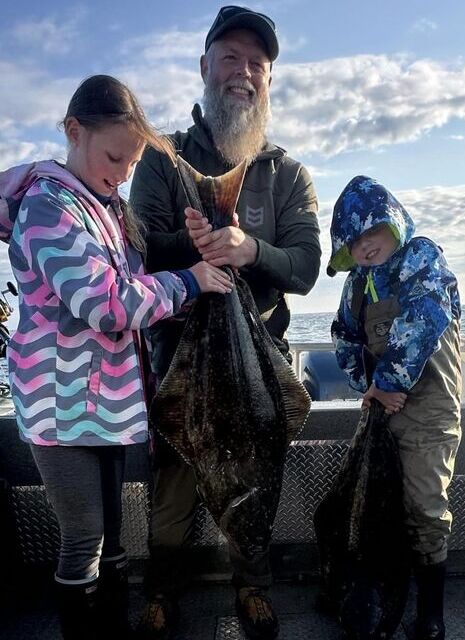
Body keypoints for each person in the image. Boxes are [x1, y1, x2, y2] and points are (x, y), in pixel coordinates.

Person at [0, 74, 233, 640]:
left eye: (131, 163)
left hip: (105, 405)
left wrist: (202, 250)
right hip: (60, 409)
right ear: (74, 132)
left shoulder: (106, 208)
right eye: (114, 157)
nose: (124, 172)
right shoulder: (47, 208)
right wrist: (190, 281)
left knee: (112, 535)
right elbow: (106, 304)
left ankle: (114, 627)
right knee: (83, 539)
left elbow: (135, 282)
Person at [130, 6, 321, 639]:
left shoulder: (288, 172)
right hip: (180, 350)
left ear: (269, 81)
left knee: (257, 483)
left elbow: (305, 265)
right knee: (175, 479)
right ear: (205, 66)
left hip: (259, 360)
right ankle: (162, 590)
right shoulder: (161, 158)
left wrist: (248, 251)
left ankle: (254, 588)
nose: (244, 73)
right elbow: (139, 247)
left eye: (258, 65)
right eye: (231, 58)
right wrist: (197, 248)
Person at [328, 175, 461, 640]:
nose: (365, 247)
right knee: (373, 511)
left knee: (425, 507)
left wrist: (388, 382)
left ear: (395, 224)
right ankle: (379, 596)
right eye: (355, 241)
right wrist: (369, 387)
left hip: (428, 415)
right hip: (380, 415)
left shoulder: (423, 257)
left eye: (373, 232)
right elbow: (343, 335)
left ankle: (432, 614)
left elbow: (422, 320)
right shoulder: (356, 286)